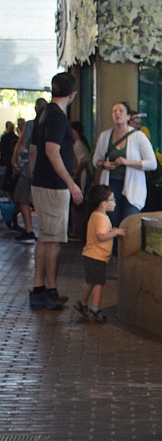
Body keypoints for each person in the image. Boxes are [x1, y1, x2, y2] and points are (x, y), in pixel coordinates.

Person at [29, 77, 82, 310]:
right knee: (53, 241)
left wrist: (34, 181)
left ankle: (39, 289)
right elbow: (52, 152)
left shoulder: (43, 114)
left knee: (45, 238)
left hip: (42, 184)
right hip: (54, 187)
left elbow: (33, 152)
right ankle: (50, 291)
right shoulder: (58, 117)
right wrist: (71, 183)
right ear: (73, 95)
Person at [92, 101, 157, 225]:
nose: (117, 114)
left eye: (121, 111)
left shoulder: (138, 136)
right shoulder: (105, 136)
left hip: (133, 185)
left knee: (129, 220)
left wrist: (127, 162)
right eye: (114, 111)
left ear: (128, 116)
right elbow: (96, 160)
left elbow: (152, 164)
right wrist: (104, 164)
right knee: (111, 220)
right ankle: (113, 245)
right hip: (111, 185)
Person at [74, 184, 125, 322]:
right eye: (112, 200)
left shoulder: (95, 215)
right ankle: (95, 309)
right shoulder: (102, 218)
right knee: (99, 284)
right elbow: (101, 236)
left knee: (90, 281)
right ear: (104, 204)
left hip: (90, 255)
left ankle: (82, 303)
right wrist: (115, 233)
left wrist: (111, 231)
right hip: (97, 256)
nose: (115, 202)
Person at [10, 101, 45, 244]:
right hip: (45, 169)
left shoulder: (32, 124)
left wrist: (14, 160)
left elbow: (24, 144)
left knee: (23, 197)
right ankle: (43, 230)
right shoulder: (51, 123)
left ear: (35, 109)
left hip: (30, 169)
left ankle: (29, 230)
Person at [69, 121, 92, 240]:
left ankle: (77, 230)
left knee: (77, 204)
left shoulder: (79, 145)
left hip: (80, 177)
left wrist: (75, 175)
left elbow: (82, 163)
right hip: (79, 176)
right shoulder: (77, 144)